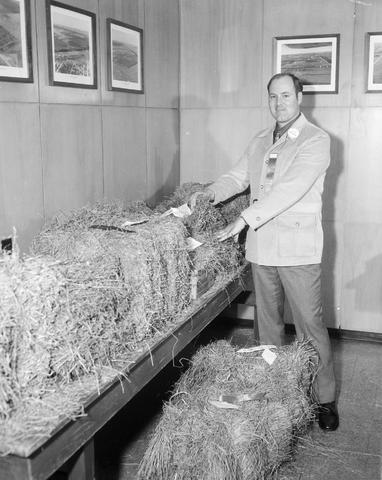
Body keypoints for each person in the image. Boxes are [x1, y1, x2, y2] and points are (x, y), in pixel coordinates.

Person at [189, 72, 339, 431]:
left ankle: (324, 398)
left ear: (300, 97)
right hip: (262, 249)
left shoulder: (316, 141)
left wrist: (243, 218)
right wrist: (210, 192)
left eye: (286, 96)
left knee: (310, 327)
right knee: (267, 327)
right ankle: (274, 394)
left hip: (297, 249)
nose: (279, 103)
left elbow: (289, 189)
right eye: (273, 97)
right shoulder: (260, 140)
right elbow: (238, 176)